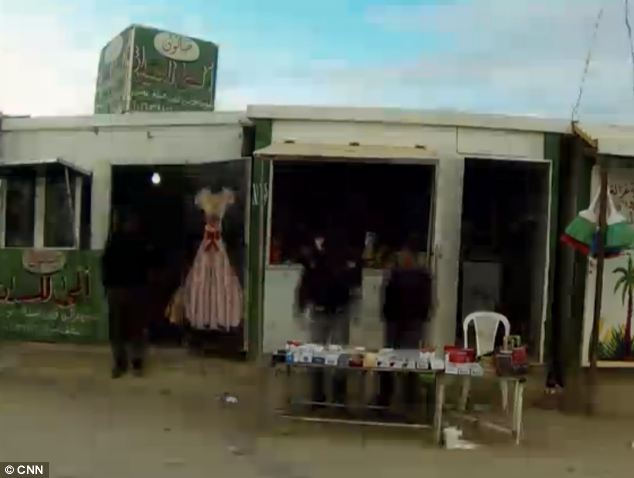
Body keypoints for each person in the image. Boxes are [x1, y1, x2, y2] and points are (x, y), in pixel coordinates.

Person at [296, 230, 358, 405]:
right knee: (319, 355)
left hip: (337, 312)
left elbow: (353, 286)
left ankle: (335, 397)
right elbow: (305, 284)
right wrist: (302, 306)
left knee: (337, 356)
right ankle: (321, 397)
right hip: (323, 311)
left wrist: (302, 306)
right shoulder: (316, 261)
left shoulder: (342, 260)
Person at [378, 235, 432, 410]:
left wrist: (422, 317)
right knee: (387, 361)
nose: (403, 258)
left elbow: (427, 301)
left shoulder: (422, 275)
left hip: (412, 323)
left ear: (413, 256)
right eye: (401, 255)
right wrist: (385, 314)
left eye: (406, 255)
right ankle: (385, 396)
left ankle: (410, 399)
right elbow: (387, 296)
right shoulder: (394, 273)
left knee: (409, 360)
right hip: (394, 321)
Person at [102, 209, 151, 378]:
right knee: (135, 328)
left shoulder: (114, 241)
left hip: (118, 289)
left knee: (118, 329)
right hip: (134, 289)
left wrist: (107, 286)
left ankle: (120, 364)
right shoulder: (140, 241)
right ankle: (135, 364)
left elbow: (105, 265)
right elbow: (148, 264)